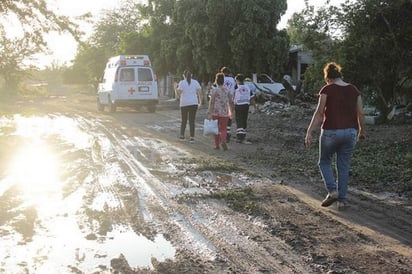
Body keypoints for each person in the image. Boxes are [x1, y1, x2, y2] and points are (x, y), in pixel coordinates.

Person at [305, 62, 366, 210]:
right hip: (350, 132)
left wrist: (309, 132)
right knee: (343, 166)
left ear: (328, 79)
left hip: (331, 132)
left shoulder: (327, 89)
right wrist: (362, 131)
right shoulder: (354, 90)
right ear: (340, 76)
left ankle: (332, 191)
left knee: (324, 162)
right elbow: (360, 113)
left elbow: (319, 113)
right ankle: (342, 201)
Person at [208, 72, 233, 150]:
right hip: (224, 112)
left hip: (215, 111)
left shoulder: (214, 90)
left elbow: (211, 102)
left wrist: (209, 111)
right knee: (223, 129)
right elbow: (230, 101)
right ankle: (223, 140)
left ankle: (217, 145)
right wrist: (231, 111)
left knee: (215, 129)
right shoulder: (227, 90)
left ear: (216, 80)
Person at [175, 70, 202, 143]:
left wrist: (175, 88)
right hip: (194, 103)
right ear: (191, 75)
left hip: (184, 103)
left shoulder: (181, 83)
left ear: (184, 75)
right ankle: (192, 138)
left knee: (184, 120)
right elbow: (200, 93)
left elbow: (178, 95)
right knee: (192, 121)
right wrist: (200, 102)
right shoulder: (196, 82)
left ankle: (182, 136)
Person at [234, 74, 253, 144]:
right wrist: (255, 106)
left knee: (239, 120)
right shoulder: (247, 87)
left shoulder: (236, 87)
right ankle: (243, 136)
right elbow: (252, 97)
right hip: (246, 105)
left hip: (238, 105)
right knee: (244, 120)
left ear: (237, 80)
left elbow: (231, 95)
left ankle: (240, 138)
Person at [220, 66, 236, 142]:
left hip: (222, 100)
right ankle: (228, 135)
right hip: (230, 100)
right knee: (229, 117)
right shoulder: (232, 80)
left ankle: (222, 135)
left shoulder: (220, 79)